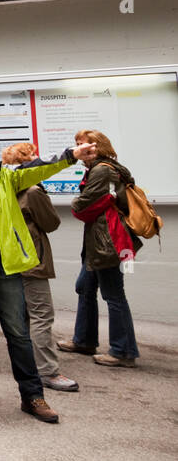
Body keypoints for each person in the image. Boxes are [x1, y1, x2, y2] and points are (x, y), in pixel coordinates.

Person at [0, 126, 96, 422]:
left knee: (19, 333)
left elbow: (40, 168)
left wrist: (71, 156)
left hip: (5, 264)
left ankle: (33, 396)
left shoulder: (9, 175)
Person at [59, 129, 141, 368]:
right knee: (84, 286)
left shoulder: (102, 170)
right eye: (77, 143)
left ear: (97, 147)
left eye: (82, 143)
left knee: (113, 294)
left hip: (108, 239)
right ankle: (84, 340)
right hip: (99, 237)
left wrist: (77, 204)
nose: (78, 147)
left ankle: (124, 351)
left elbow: (83, 203)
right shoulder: (101, 169)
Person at [1, 142, 78, 392]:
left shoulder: (5, 187)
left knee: (21, 315)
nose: (37, 157)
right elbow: (51, 222)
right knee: (42, 314)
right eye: (32, 154)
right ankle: (48, 371)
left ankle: (26, 363)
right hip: (33, 257)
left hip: (11, 257)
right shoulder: (33, 190)